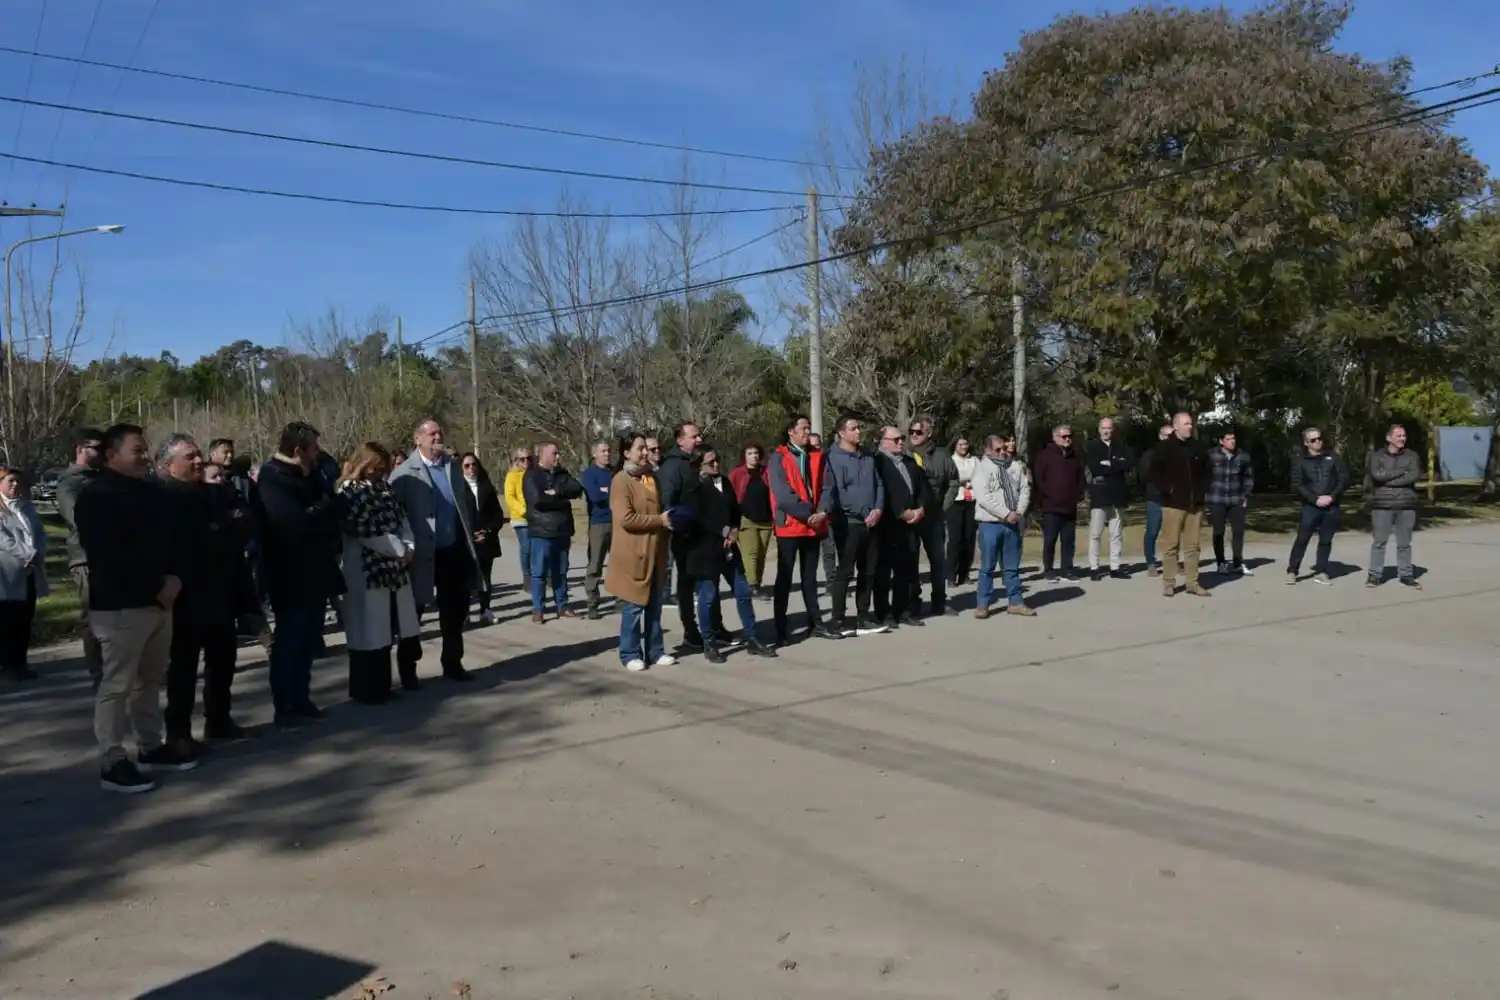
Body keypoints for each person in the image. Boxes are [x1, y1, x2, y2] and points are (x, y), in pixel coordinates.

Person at [76, 424, 191, 793]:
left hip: (160, 602)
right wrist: (157, 586)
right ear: (112, 456)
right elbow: (110, 556)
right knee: (117, 685)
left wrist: (174, 577)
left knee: (150, 681)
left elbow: (174, 540)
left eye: (145, 449)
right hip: (120, 606)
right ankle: (112, 761)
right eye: (137, 450)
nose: (145, 456)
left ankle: (150, 746)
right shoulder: (96, 498)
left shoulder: (152, 494)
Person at [159, 435, 256, 747]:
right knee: (184, 668)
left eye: (198, 455)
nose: (198, 461)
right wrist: (219, 530)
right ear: (168, 465)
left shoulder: (212, 492)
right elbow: (188, 543)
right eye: (189, 457)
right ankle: (178, 732)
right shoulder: (165, 497)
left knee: (223, 662)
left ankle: (219, 720)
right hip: (187, 596)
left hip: (221, 591)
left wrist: (223, 528)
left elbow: (241, 524)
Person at [253, 421, 347, 724]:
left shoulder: (311, 475)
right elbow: (293, 525)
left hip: (316, 570)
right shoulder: (272, 479)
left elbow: (329, 508)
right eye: (314, 449)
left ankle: (302, 697)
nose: (318, 454)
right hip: (289, 574)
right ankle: (285, 705)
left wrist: (323, 510)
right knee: (290, 642)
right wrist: (324, 511)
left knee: (309, 642)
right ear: (297, 451)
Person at [390, 419, 481, 683]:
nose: (437, 436)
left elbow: (464, 506)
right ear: (417, 439)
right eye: (431, 433)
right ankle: (408, 669)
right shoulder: (405, 473)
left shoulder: (453, 468)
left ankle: (453, 663)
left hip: (452, 551)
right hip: (420, 555)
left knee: (454, 611)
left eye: (439, 432)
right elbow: (395, 515)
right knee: (413, 614)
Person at [338, 443, 422, 704]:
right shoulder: (348, 491)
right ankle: (365, 689)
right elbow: (365, 531)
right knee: (366, 632)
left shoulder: (384, 489)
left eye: (383, 468)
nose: (379, 472)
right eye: (376, 466)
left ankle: (382, 686)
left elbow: (402, 520)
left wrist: (408, 546)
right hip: (365, 569)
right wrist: (399, 550)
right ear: (364, 463)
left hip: (392, 570)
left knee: (383, 631)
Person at [680, 446, 778, 661]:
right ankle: (710, 643)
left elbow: (735, 509)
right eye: (710, 462)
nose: (716, 464)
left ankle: (752, 638)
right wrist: (720, 530)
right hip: (704, 551)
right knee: (708, 596)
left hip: (728, 549)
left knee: (743, 592)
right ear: (699, 465)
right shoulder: (691, 486)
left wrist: (733, 528)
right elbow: (695, 517)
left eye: (717, 460)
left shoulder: (724, 482)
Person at [605, 432, 676, 672]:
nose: (645, 452)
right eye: (640, 448)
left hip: (654, 551)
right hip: (632, 553)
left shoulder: (650, 478)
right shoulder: (620, 481)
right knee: (634, 606)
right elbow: (626, 518)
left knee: (654, 605)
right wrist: (660, 520)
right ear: (626, 453)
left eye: (646, 448)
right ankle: (630, 653)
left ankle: (655, 651)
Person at [768, 414, 836, 644]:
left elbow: (828, 486)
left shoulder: (818, 456)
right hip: (791, 526)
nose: (808, 432)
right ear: (791, 431)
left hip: (814, 526)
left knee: (810, 578)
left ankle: (816, 623)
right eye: (803, 428)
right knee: (784, 579)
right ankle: (780, 627)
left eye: (809, 428)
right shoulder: (778, 458)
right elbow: (782, 494)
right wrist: (808, 515)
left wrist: (823, 512)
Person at [819, 413, 887, 636]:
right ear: (841, 433)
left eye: (859, 427)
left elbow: (878, 484)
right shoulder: (831, 458)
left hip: (873, 522)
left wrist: (877, 509)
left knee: (868, 572)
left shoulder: (867, 456)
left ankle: (864, 616)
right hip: (848, 523)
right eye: (853, 428)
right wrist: (861, 512)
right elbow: (837, 491)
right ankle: (837, 619)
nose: (858, 432)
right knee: (845, 572)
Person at [658, 421, 724, 647]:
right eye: (693, 436)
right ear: (680, 440)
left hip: (708, 534)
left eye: (699, 436)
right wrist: (678, 523)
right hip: (686, 536)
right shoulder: (673, 466)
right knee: (687, 584)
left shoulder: (701, 460)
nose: (699, 439)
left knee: (711, 583)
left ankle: (715, 626)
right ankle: (691, 629)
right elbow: (668, 502)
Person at [55, 426, 105, 688]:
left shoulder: (104, 478)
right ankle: (99, 673)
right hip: (86, 558)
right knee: (94, 617)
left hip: (115, 556)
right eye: (96, 447)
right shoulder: (70, 483)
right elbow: (77, 518)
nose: (102, 452)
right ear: (80, 450)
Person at [874, 425, 933, 628]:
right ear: (884, 441)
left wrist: (920, 509)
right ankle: (884, 613)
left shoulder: (909, 462)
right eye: (896, 439)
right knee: (883, 572)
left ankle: (903, 610)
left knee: (906, 570)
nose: (901, 441)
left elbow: (924, 488)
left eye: (902, 438)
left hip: (911, 525)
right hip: (887, 525)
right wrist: (900, 512)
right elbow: (882, 492)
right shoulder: (877, 463)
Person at [1149, 412, 1212, 598]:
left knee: (1193, 546)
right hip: (1173, 505)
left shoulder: (1198, 447)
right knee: (1171, 545)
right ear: (1175, 426)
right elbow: (1154, 474)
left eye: (1191, 423)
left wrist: (1203, 491)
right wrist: (1169, 490)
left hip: (1195, 505)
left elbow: (1208, 471)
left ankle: (1192, 583)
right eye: (1185, 424)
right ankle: (1169, 583)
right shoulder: (1164, 448)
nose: (1189, 427)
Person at [973, 435, 1035, 618]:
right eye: (998, 450)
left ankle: (1015, 602)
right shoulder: (981, 468)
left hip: (1012, 524)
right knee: (987, 567)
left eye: (1004, 449)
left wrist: (1019, 511)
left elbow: (1024, 489)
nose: (1003, 452)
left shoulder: (1014, 466)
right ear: (988, 451)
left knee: (1012, 567)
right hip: (990, 524)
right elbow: (984, 498)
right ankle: (983, 604)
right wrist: (1005, 513)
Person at [521, 441, 584, 622]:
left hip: (562, 530)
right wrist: (562, 500)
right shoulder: (531, 476)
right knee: (539, 572)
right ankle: (538, 609)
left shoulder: (562, 474)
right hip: (541, 531)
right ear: (542, 456)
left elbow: (577, 489)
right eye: (554, 453)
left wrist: (556, 492)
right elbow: (538, 500)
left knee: (561, 572)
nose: (558, 457)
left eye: (558, 453)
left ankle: (562, 606)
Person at [0, 467, 48, 681]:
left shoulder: (25, 507)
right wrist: (28, 554)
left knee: (24, 619)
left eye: (18, 481)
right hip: (6, 574)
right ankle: (8, 665)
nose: (15, 485)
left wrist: (38, 553)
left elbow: (39, 532)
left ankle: (20, 663)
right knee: (7, 621)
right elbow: (3, 539)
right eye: (10, 481)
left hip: (29, 572)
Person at [1287, 425, 1348, 586]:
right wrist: (1315, 499)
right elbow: (1297, 484)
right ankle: (1292, 570)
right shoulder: (1301, 462)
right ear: (1306, 443)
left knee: (1326, 540)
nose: (1317, 442)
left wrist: (1332, 496)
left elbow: (1343, 479)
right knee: (1302, 539)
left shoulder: (1333, 458)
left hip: (1331, 506)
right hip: (1311, 507)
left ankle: (1321, 571)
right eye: (1313, 440)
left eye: (1319, 438)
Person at [907, 418, 955, 615]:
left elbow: (953, 481)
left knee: (937, 560)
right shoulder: (904, 454)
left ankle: (939, 602)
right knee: (910, 560)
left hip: (934, 516)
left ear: (929, 434)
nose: (914, 435)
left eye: (919, 432)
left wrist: (943, 506)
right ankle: (913, 602)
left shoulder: (942, 455)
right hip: (910, 516)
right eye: (912, 431)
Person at [1367, 422, 1423, 589]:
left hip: (1406, 504)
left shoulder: (1412, 456)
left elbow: (1413, 476)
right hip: (1382, 504)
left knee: (1404, 543)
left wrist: (1389, 478)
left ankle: (1406, 575)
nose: (1402, 439)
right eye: (1398, 436)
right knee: (1379, 542)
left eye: (1404, 436)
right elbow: (1377, 476)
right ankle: (1374, 575)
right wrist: (1400, 472)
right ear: (1388, 438)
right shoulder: (1377, 456)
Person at [1032, 424, 1084, 581]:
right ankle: (1048, 569)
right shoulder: (1045, 455)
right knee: (1050, 540)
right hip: (1051, 507)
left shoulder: (1075, 456)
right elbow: (1038, 479)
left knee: (1069, 541)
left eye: (1069, 436)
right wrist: (1045, 497)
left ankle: (1067, 568)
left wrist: (1078, 494)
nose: (1068, 439)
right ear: (1055, 437)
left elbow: (1080, 477)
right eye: (1064, 436)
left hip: (1070, 506)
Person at [1083, 417, 1133, 581]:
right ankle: (1094, 567)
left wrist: (1110, 464)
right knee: (1095, 533)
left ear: (1113, 429)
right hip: (1100, 494)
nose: (1106, 431)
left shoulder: (1121, 446)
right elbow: (1095, 467)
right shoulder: (1091, 447)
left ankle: (1115, 566)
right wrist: (1114, 465)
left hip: (1118, 494)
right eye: (1103, 428)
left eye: (1109, 428)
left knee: (1116, 533)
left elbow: (1128, 463)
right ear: (1099, 430)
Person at [461, 452, 505, 623]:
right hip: (466, 542)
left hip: (486, 540)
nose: (471, 468)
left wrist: (487, 531)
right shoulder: (457, 489)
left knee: (485, 578)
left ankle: (485, 609)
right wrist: (470, 533)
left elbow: (498, 515)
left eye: (474, 465)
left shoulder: (487, 487)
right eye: (466, 465)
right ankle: (464, 612)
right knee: (465, 579)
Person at [1207, 428, 1255, 576]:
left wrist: (1245, 495)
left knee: (1238, 532)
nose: (1232, 441)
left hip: (1236, 499)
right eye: (1228, 439)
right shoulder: (1211, 455)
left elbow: (1248, 478)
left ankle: (1237, 563)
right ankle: (1221, 562)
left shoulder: (1242, 456)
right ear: (1221, 441)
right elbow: (1203, 476)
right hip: (1217, 499)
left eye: (1233, 438)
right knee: (1218, 531)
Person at [728, 442, 774, 598]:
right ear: (744, 456)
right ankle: (752, 585)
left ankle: (757, 584)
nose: (754, 456)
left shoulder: (766, 472)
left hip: (766, 519)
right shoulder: (737, 473)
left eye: (756, 453)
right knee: (751, 553)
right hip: (746, 519)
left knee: (761, 554)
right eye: (750, 453)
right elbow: (730, 496)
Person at [581, 441, 615, 619]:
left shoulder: (615, 472)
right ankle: (592, 603)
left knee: (618, 563)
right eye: (603, 451)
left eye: (608, 450)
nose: (607, 454)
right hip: (598, 524)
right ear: (595, 454)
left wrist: (606, 491)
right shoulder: (589, 474)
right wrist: (610, 493)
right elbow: (595, 497)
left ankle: (621, 599)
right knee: (595, 564)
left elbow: (622, 494)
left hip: (617, 522)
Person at [945, 436, 980, 586]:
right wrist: (962, 481)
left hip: (971, 501)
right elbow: (949, 478)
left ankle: (964, 573)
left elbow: (980, 476)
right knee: (955, 540)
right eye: (960, 444)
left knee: (969, 539)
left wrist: (972, 482)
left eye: (965, 443)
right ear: (955, 446)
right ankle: (951, 575)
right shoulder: (950, 460)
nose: (964, 447)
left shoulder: (975, 461)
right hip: (955, 501)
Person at [1138, 424, 1172, 575]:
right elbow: (1143, 476)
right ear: (1160, 436)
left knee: (1173, 533)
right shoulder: (1150, 455)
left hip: (1173, 499)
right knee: (1152, 531)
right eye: (1166, 436)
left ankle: (1172, 562)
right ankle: (1151, 562)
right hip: (1155, 498)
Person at [503, 448, 532, 594]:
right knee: (526, 548)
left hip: (536, 517)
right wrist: (523, 510)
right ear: (516, 461)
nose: (526, 462)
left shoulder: (533, 474)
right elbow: (510, 497)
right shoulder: (512, 476)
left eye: (528, 458)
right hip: (521, 518)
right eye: (522, 459)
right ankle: (527, 578)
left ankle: (542, 576)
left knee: (537, 548)